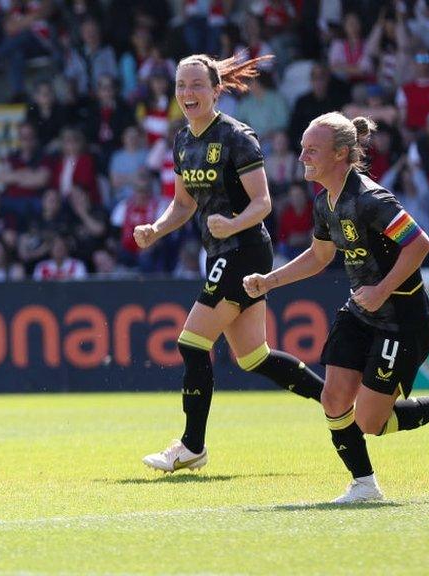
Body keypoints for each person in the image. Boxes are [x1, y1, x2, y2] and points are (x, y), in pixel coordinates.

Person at [244, 112, 429, 504]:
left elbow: (419, 244)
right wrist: (270, 281)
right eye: (302, 147)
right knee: (333, 399)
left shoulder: (371, 199)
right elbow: (318, 257)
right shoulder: (324, 203)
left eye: (311, 149)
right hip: (360, 312)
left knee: (370, 421)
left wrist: (383, 289)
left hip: (402, 319)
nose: (302, 156)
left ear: (341, 154)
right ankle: (364, 484)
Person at [134, 53, 327, 474]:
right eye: (182, 86)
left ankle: (191, 446)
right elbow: (183, 205)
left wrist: (232, 223)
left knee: (191, 342)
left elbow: (263, 203)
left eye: (197, 85)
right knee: (253, 356)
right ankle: (335, 399)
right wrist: (156, 229)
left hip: (245, 250)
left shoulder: (238, 137)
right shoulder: (183, 140)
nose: (187, 93)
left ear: (216, 90)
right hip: (220, 252)